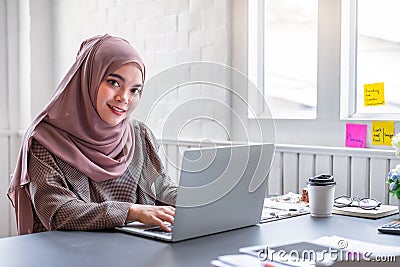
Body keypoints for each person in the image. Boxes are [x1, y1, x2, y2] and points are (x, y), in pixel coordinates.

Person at [7, 34, 177, 235]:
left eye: (134, 90)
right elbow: (56, 211)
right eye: (114, 82)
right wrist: (131, 211)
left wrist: (201, 200)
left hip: (134, 251)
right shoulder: (45, 140)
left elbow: (162, 189)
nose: (124, 98)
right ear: (88, 79)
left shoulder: (139, 135)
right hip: (71, 254)